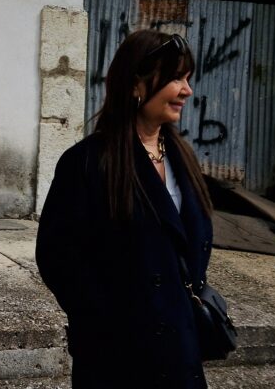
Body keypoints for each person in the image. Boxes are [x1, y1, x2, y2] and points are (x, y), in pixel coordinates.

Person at [36, 30, 214, 388]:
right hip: (117, 356)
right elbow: (58, 258)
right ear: (137, 83)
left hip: (179, 351)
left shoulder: (184, 158)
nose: (186, 91)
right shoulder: (87, 162)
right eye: (176, 78)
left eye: (188, 79)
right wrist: (104, 324)